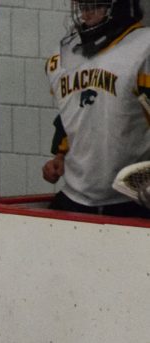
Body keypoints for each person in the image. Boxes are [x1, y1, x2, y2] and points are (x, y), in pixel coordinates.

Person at [42, 0, 150, 217]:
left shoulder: (143, 48)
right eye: (83, 7)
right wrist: (61, 155)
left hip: (130, 198)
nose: (85, 14)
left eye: (95, 6)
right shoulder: (64, 53)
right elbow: (71, 110)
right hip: (74, 196)